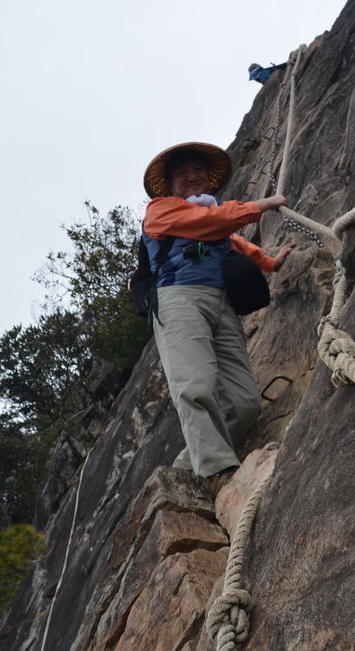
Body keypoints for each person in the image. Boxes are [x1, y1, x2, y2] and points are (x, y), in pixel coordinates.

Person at [141, 141, 294, 494]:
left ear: (208, 178)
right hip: (177, 297)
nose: (192, 177)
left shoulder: (215, 216)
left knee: (244, 402)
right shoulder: (161, 210)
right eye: (183, 174)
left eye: (198, 171)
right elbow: (210, 221)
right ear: (172, 184)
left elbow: (237, 244)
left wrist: (272, 262)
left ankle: (186, 469)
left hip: (220, 302)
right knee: (196, 386)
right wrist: (258, 207)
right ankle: (217, 472)